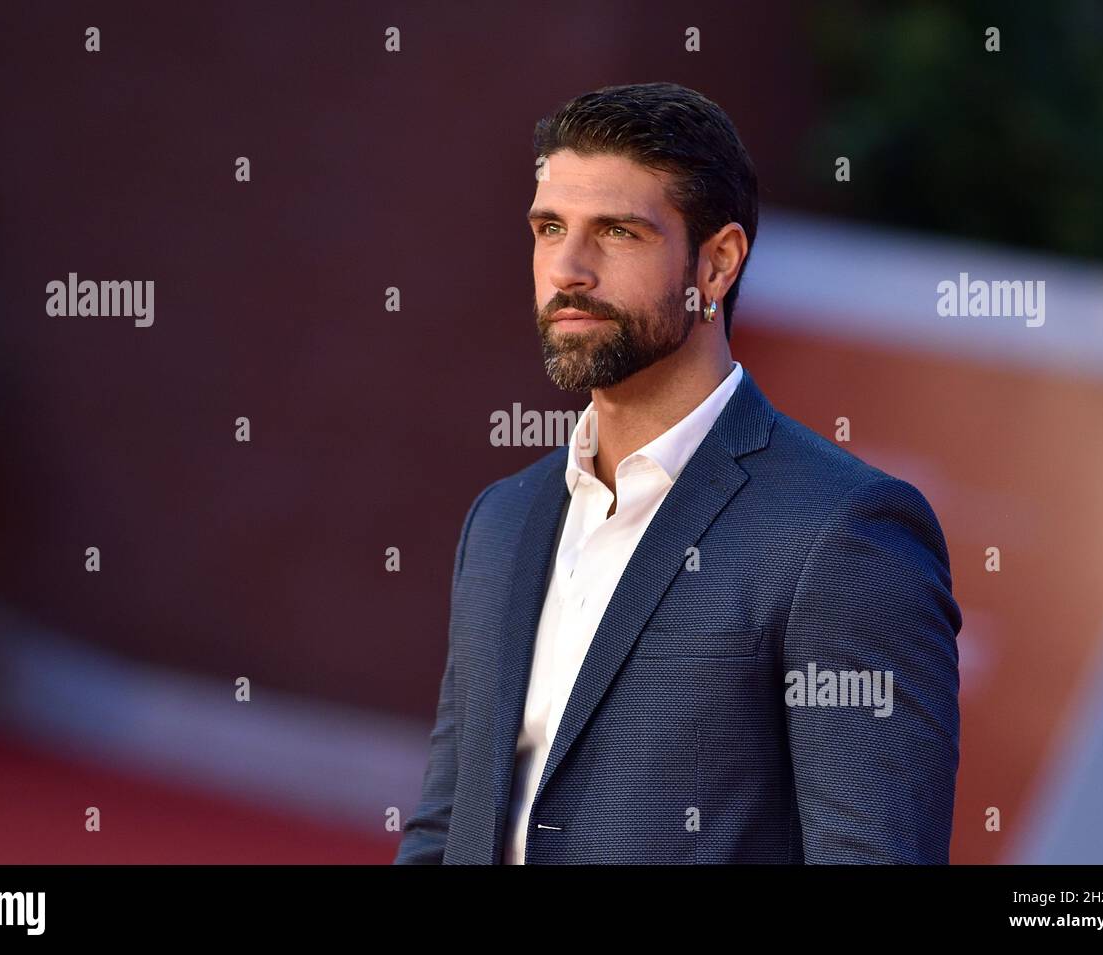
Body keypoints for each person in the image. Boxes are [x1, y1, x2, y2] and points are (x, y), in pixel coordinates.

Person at [395, 82, 961, 864]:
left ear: (718, 263)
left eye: (617, 232)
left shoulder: (842, 532)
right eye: (549, 227)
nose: (567, 268)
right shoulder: (503, 518)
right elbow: (445, 826)